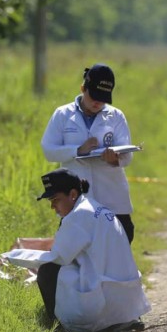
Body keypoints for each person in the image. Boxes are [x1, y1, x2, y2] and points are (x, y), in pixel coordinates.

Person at [3, 168, 150, 332]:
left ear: (73, 194)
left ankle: (59, 326)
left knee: (48, 270)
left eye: (55, 200)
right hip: (127, 301)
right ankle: (120, 320)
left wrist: (12, 256)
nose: (52, 207)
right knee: (65, 267)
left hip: (106, 304)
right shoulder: (94, 206)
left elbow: (58, 256)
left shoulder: (77, 216)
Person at [41, 64, 136, 244]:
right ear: (83, 88)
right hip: (77, 200)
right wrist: (77, 150)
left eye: (103, 99)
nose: (97, 103)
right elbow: (49, 150)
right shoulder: (62, 114)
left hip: (112, 197)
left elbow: (127, 154)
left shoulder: (116, 116)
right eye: (94, 96)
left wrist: (115, 159)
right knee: (76, 253)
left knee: (118, 249)